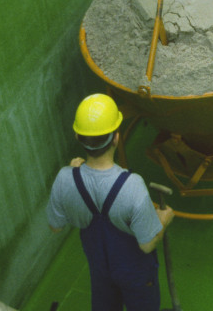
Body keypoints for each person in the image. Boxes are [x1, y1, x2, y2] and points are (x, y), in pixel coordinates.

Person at [47, 93, 175, 310]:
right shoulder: (132, 186)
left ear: (78, 137)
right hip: (136, 277)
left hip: (100, 272)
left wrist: (73, 174)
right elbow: (146, 244)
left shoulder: (64, 179)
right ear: (117, 137)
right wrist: (163, 220)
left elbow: (55, 227)